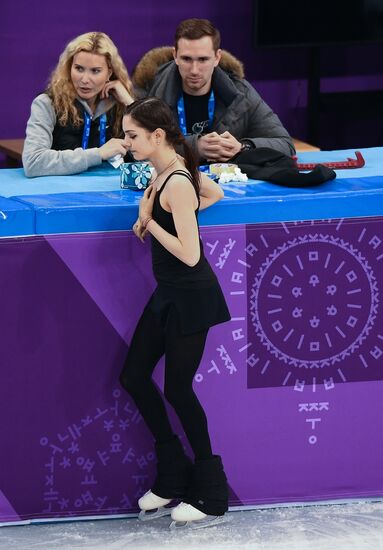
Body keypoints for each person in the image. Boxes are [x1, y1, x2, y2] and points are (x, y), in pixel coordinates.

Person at [119, 97, 230, 528]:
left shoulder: (178, 181)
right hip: (169, 294)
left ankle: (210, 493)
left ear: (157, 136)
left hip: (191, 295)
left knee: (178, 390)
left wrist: (151, 221)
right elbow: (216, 192)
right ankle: (172, 475)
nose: (126, 143)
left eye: (132, 135)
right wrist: (169, 214)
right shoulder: (166, 169)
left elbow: (189, 253)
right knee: (132, 376)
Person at [132, 18, 295, 164]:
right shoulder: (149, 90)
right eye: (186, 59)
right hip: (168, 186)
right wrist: (195, 148)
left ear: (217, 57)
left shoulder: (240, 92)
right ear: (175, 55)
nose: (194, 70)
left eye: (203, 59)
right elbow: (131, 150)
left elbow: (286, 145)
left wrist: (243, 146)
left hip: (227, 190)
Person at [23, 32, 134, 177]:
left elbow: (155, 153)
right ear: (69, 68)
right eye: (79, 69)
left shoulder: (121, 104)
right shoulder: (46, 103)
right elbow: (33, 162)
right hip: (58, 194)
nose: (85, 79)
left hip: (111, 194)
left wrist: (131, 104)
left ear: (109, 73)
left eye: (95, 71)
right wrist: (98, 154)